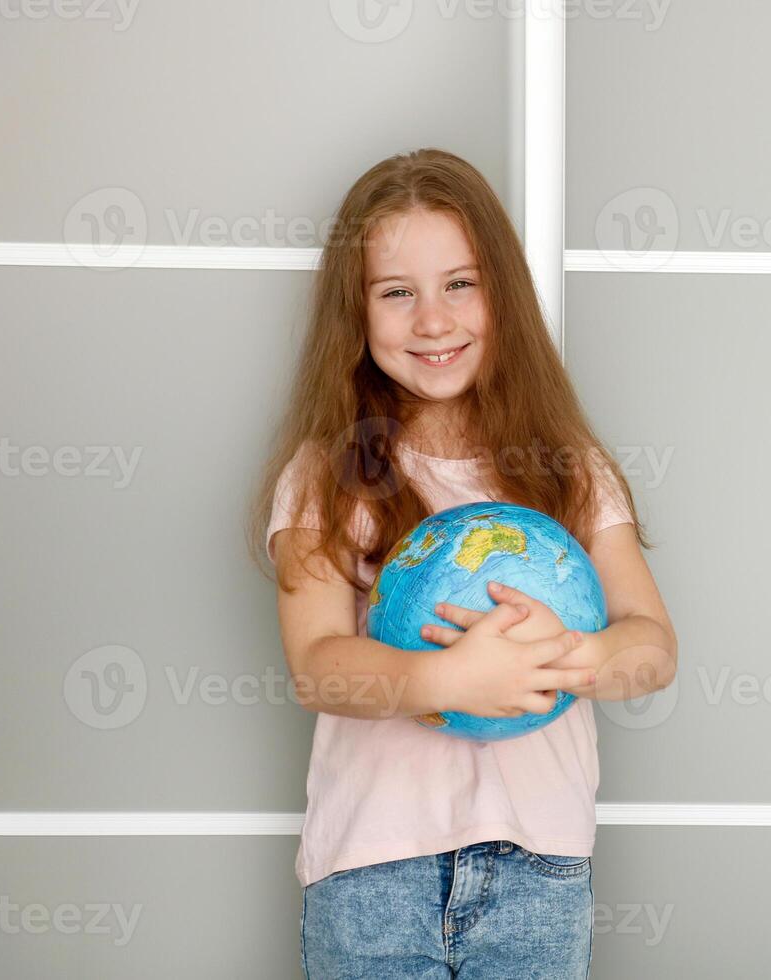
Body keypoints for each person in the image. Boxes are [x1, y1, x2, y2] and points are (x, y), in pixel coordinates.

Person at [247, 147, 678, 979]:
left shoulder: (569, 468)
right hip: (374, 868)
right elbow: (318, 666)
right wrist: (444, 683)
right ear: (357, 313)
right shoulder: (327, 474)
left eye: (461, 284)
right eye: (396, 292)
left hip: (540, 866)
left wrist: (575, 655)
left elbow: (652, 647)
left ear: (502, 296)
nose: (433, 321)